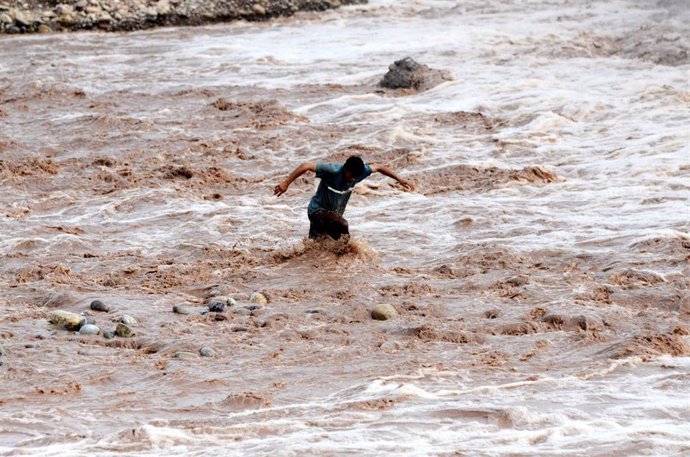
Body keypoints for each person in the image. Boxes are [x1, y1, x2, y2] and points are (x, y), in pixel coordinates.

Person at [274, 156, 413, 240]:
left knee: (318, 246)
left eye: (355, 178)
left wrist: (400, 179)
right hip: (316, 211)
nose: (352, 179)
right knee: (343, 227)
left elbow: (379, 167)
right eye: (350, 176)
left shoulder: (361, 172)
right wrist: (286, 183)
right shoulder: (333, 170)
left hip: (332, 215)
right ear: (345, 169)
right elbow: (306, 166)